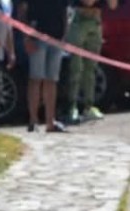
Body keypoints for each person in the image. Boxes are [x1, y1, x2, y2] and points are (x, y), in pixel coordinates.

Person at [18, 0, 71, 131]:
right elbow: (22, 10)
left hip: (56, 37)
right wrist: (26, 37)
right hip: (36, 36)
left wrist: (64, 35)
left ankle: (50, 121)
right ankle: (33, 121)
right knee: (36, 78)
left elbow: (65, 10)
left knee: (52, 80)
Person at [62, 0, 105, 124]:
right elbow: (88, 2)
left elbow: (112, 5)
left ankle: (88, 106)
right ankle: (72, 107)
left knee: (91, 69)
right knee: (76, 69)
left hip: (95, 23)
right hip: (78, 22)